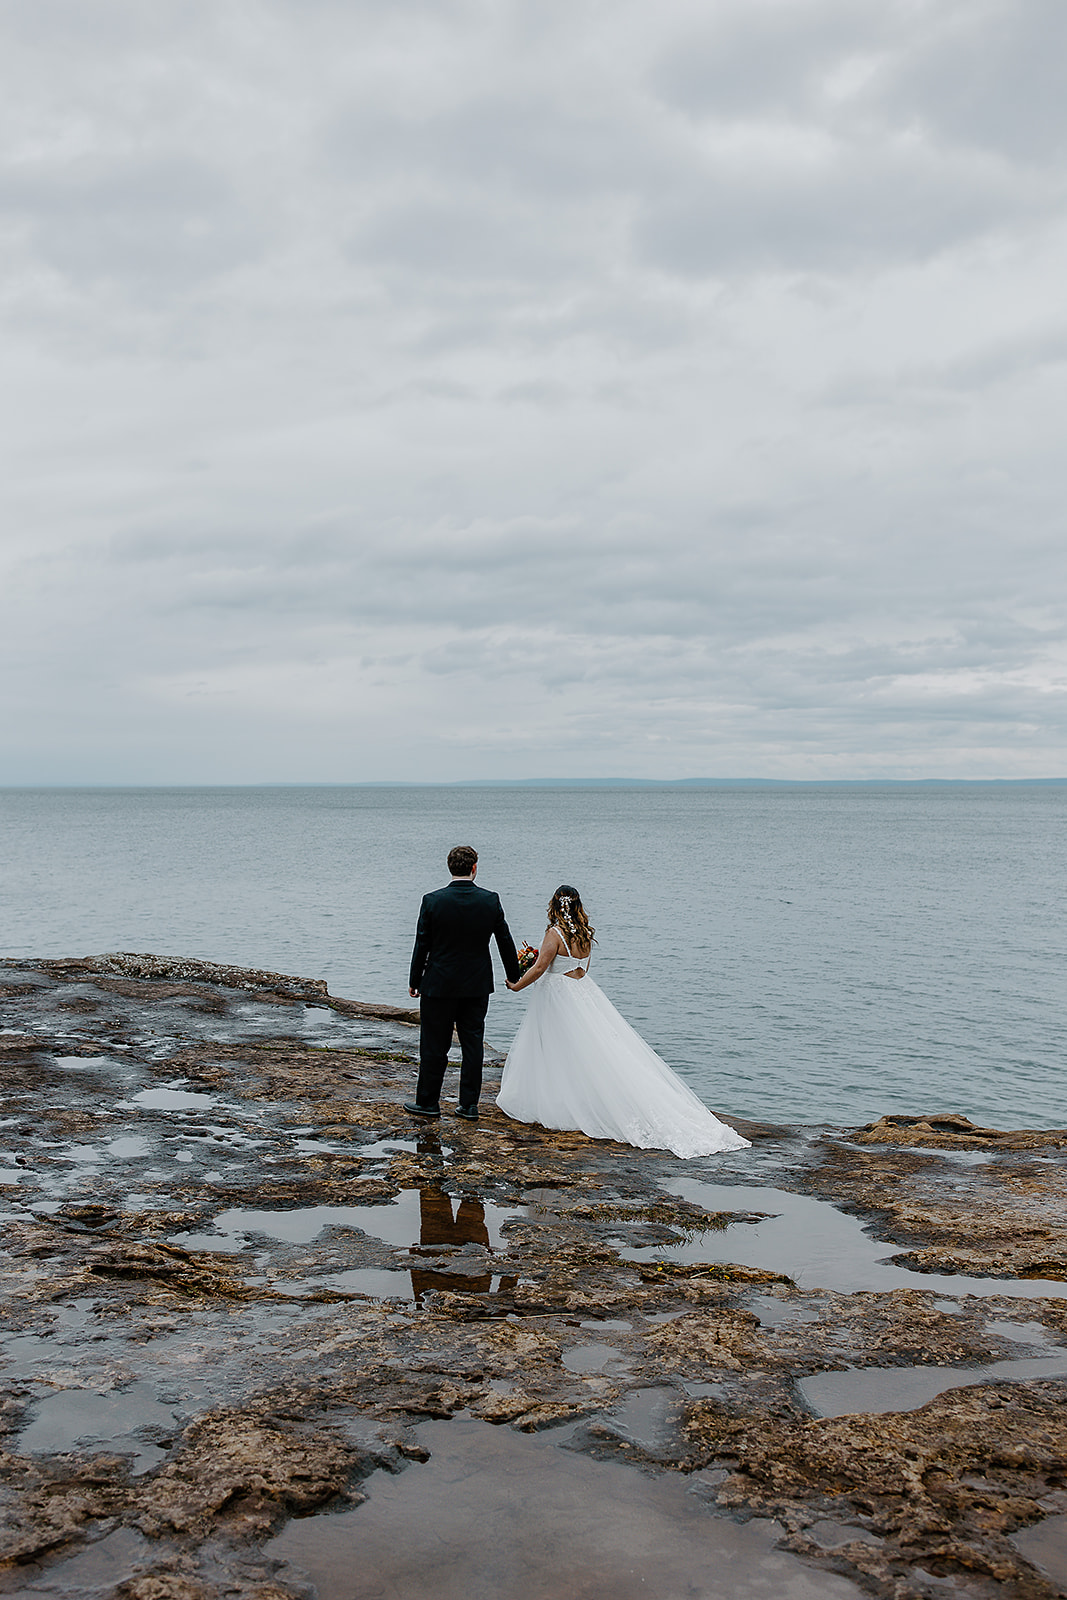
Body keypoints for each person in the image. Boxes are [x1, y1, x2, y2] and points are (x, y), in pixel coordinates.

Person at [497, 885, 750, 1159]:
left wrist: (517, 985)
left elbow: (540, 967)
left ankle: (561, 1102)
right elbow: (582, 968)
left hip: (558, 996)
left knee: (557, 1049)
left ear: (555, 906)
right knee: (589, 1049)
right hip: (584, 993)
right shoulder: (584, 934)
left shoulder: (554, 934)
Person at [406, 844, 521, 1122]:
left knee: (434, 1045)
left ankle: (428, 1102)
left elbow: (422, 943)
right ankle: (468, 1105)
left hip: (438, 984)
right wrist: (514, 975)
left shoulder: (432, 900)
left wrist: (415, 980)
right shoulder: (490, 900)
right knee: (473, 1045)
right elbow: (504, 940)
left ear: (450, 868)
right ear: (474, 868)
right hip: (476, 985)